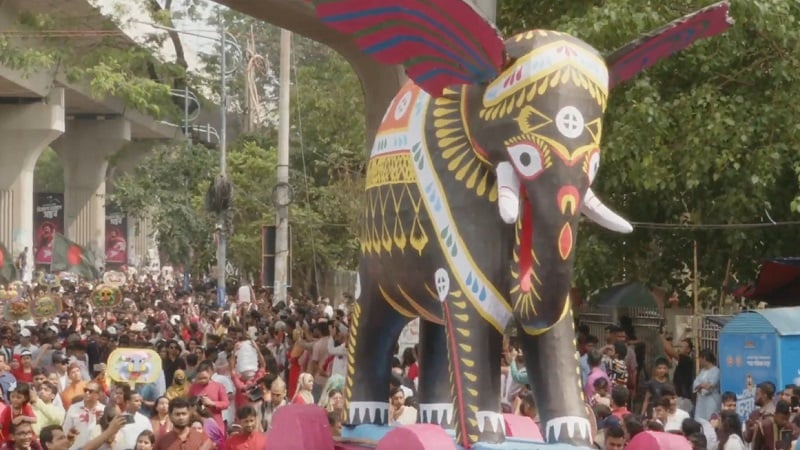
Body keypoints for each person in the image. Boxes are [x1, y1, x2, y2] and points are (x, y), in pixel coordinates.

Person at [187, 362, 228, 436]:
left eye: (204, 378)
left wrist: (213, 403)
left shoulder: (218, 386)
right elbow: (189, 403)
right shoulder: (194, 387)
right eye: (199, 378)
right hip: (198, 422)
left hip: (216, 420)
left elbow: (226, 404)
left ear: (210, 374)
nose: (202, 380)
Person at [693, 349, 721, 421]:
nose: (699, 361)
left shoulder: (716, 371)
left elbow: (710, 385)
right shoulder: (702, 371)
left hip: (711, 400)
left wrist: (701, 386)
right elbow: (695, 383)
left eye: (700, 358)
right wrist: (701, 386)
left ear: (704, 358)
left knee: (710, 419)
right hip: (701, 400)